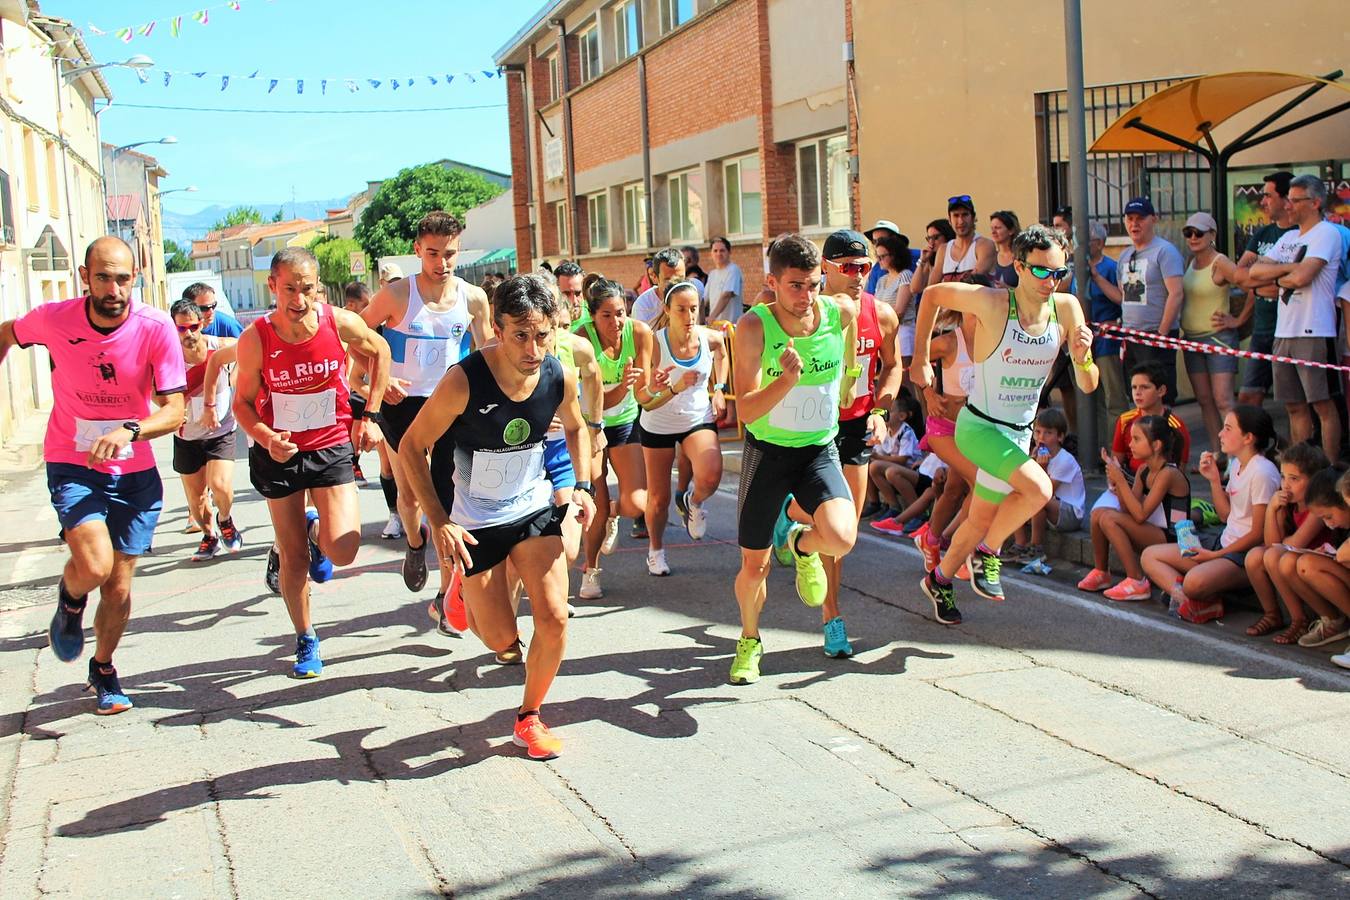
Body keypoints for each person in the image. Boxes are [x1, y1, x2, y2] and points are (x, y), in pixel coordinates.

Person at [398, 274, 595, 760]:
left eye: (543, 334)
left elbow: (577, 427)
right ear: (498, 331)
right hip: (475, 521)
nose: (533, 348)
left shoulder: (558, 375)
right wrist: (440, 520)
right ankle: (457, 595)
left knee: (552, 618)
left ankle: (529, 718)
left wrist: (584, 486)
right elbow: (411, 446)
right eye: (520, 335)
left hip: (530, 506)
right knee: (501, 638)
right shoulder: (464, 381)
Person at [0, 238, 185, 714]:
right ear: (85, 277)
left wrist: (131, 430)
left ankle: (103, 668)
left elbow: (175, 410)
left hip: (134, 471)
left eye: (123, 278)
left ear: (136, 276)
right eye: (103, 277)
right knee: (96, 566)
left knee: (120, 586)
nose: (114, 288)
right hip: (72, 459)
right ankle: (70, 596)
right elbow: (7, 333)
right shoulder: (54, 318)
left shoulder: (155, 326)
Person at [912, 224, 1098, 622]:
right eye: (1042, 271)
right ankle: (989, 551)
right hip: (978, 428)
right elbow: (930, 295)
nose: (1051, 281)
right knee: (1040, 489)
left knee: (979, 517)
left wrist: (1083, 357)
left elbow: (1087, 383)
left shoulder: (1066, 308)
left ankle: (940, 579)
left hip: (1017, 434)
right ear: (1019, 266)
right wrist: (920, 359)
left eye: (1059, 272)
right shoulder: (993, 302)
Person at [232, 247, 390, 678]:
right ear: (272, 286)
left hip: (331, 445)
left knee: (345, 549)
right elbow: (242, 403)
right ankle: (306, 638)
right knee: (295, 559)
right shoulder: (256, 339)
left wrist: (371, 414)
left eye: (307, 289)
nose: (298, 300)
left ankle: (314, 526)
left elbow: (379, 352)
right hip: (278, 452)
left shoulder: (337, 322)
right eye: (289, 289)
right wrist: (264, 436)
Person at [729, 234, 859, 683]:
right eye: (796, 286)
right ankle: (749, 640)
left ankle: (802, 545)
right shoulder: (753, 327)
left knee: (841, 538)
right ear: (772, 283)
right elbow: (743, 410)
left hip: (818, 451)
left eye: (814, 284)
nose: (807, 296)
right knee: (754, 566)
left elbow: (852, 329)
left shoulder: (839, 311)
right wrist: (784, 382)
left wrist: (849, 380)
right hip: (767, 453)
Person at [361, 212, 492, 609]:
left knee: (447, 498)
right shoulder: (397, 295)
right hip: (401, 405)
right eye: (433, 254)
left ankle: (446, 592)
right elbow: (357, 338)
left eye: (449, 254)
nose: (442, 263)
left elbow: (487, 353)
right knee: (411, 495)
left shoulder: (472, 298)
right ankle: (415, 542)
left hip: (448, 404)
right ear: (417, 251)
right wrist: (381, 383)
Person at [810, 228, 902, 656]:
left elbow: (893, 366)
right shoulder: (805, 312)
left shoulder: (881, 313)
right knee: (816, 519)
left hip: (856, 425)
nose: (858, 275)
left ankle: (830, 611)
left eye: (865, 267)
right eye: (848, 267)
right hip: (810, 427)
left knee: (844, 531)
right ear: (825, 268)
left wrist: (881, 411)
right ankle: (832, 616)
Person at [1141, 406, 1280, 623]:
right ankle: (1196, 601)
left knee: (1193, 582)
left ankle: (1194, 595)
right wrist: (1214, 480)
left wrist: (1213, 557)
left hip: (1243, 557)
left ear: (1248, 438)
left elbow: (1257, 535)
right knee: (1150, 555)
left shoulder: (1262, 472)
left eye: (1227, 429)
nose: (1219, 434)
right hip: (1222, 543)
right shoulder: (1236, 465)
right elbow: (1225, 516)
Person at [1249, 175, 1344, 462]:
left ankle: (1328, 470)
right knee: (1293, 405)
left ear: (1315, 203)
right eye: (1287, 198)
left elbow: (1305, 276)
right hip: (1284, 331)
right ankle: (1301, 468)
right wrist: (1289, 271)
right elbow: (1254, 273)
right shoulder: (1290, 237)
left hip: (1314, 329)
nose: (1288, 205)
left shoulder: (1326, 233)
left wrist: (1279, 273)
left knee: (1323, 404)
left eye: (1295, 200)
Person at [636, 281, 728, 575]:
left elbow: (722, 349)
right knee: (659, 499)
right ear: (667, 310)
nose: (689, 316)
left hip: (696, 418)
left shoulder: (707, 337)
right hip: (658, 423)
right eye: (681, 310)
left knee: (712, 473)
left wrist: (720, 387)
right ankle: (656, 551)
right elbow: (644, 399)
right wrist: (659, 386)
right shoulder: (653, 342)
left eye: (694, 309)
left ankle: (694, 500)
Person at [576, 277, 652, 598]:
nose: (616, 321)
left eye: (620, 313)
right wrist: (622, 386)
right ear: (593, 316)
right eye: (606, 315)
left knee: (636, 504)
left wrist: (659, 387)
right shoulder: (581, 339)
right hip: (589, 423)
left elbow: (644, 393)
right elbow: (597, 400)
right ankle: (590, 572)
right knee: (596, 503)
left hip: (623, 421)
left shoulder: (640, 333)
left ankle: (613, 516)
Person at [1078, 415, 1190, 599]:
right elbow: (1126, 509)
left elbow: (1140, 515)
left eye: (1137, 439)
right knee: (1099, 513)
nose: (1130, 444)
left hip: (1174, 540)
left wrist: (1121, 481)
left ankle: (1137, 580)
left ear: (1156, 445)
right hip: (1154, 532)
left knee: (1108, 517)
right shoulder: (1143, 470)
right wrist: (1116, 482)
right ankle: (1101, 572)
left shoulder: (1168, 473)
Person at [169, 298, 242, 561]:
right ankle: (209, 535)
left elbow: (253, 350)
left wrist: (237, 380)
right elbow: (154, 390)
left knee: (220, 485)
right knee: (197, 502)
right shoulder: (169, 358)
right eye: (181, 329)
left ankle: (225, 519)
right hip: (187, 435)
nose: (188, 334)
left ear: (202, 323)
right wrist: (172, 412)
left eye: (193, 326)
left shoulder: (220, 347)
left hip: (220, 430)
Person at [1244, 445, 1331, 639]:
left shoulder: (1316, 509)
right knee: (1254, 557)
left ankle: (1299, 619)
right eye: (1283, 477)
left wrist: (1280, 541)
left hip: (1314, 565)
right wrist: (1272, 510)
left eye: (1294, 479)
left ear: (1314, 481)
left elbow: (1294, 543)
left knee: (1274, 555)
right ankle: (1272, 614)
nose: (1286, 485)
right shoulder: (1288, 506)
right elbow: (1270, 543)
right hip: (1292, 562)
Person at [1177, 211, 1241, 461]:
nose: (1193, 238)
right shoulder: (1189, 262)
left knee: (1224, 399)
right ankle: (1218, 453)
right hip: (1192, 338)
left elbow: (1248, 285)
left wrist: (1238, 319)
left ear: (1212, 235)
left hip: (1217, 338)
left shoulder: (1221, 262)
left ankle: (1236, 458)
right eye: (1188, 233)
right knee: (1204, 400)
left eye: (1199, 233)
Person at [1232, 171, 1295, 408]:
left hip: (1290, 330)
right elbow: (1241, 275)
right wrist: (1261, 287)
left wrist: (1260, 278)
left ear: (1286, 198)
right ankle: (1258, 444)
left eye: (1268, 195)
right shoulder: (1262, 233)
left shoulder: (1300, 234)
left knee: (1294, 402)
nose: (1262, 202)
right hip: (1262, 329)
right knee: (1248, 397)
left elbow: (1294, 281)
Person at [1117, 197, 1185, 403]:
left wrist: (1161, 334)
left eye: (1140, 218)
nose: (1134, 224)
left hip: (1155, 335)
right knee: (1136, 396)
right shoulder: (1125, 255)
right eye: (1130, 218)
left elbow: (1176, 293)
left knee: (1159, 397)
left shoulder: (1165, 251)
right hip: (1131, 336)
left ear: (1153, 220)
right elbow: (1124, 295)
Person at [1009, 407, 1085, 571]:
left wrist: (1041, 468)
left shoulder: (1065, 460)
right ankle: (1020, 543)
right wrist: (1030, 462)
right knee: (1013, 493)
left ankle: (1036, 548)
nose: (1041, 437)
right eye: (1038, 432)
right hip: (1051, 508)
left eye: (1048, 433)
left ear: (1060, 437)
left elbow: (1045, 490)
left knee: (1037, 498)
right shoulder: (1038, 454)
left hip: (1070, 514)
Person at [1285, 469, 1350, 654]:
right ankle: (1334, 621)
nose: (1328, 524)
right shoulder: (1340, 527)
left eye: (1328, 517)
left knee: (1309, 564)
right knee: (1304, 563)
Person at [1084, 222, 1125, 433]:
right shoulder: (1077, 269)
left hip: (1108, 343)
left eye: (1084, 240)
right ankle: (1099, 450)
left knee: (1113, 398)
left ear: (1099, 243)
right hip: (1085, 342)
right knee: (1094, 399)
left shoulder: (1111, 267)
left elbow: (1124, 302)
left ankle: (1116, 449)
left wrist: (1115, 323)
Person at [925, 195, 996, 291]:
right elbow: (930, 289)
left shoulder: (985, 245)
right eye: (956, 215)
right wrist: (922, 263)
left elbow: (972, 284)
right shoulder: (943, 249)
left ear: (973, 217)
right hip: (948, 304)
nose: (961, 221)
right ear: (949, 220)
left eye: (965, 215)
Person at [631, 248, 687, 325]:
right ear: (655, 277)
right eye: (668, 280)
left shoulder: (693, 297)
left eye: (680, 279)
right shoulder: (643, 305)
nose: (675, 285)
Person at [705, 236, 745, 323]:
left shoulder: (733, 270)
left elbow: (727, 295)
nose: (718, 254)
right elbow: (704, 299)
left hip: (731, 326)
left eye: (722, 250)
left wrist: (712, 317)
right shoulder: (712, 274)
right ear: (711, 253)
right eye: (715, 251)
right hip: (716, 326)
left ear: (729, 252)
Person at [989, 211, 1021, 289]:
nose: (993, 232)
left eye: (997, 228)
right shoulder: (991, 256)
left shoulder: (1020, 257)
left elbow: (1028, 291)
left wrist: (1008, 288)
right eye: (992, 228)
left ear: (1011, 230)